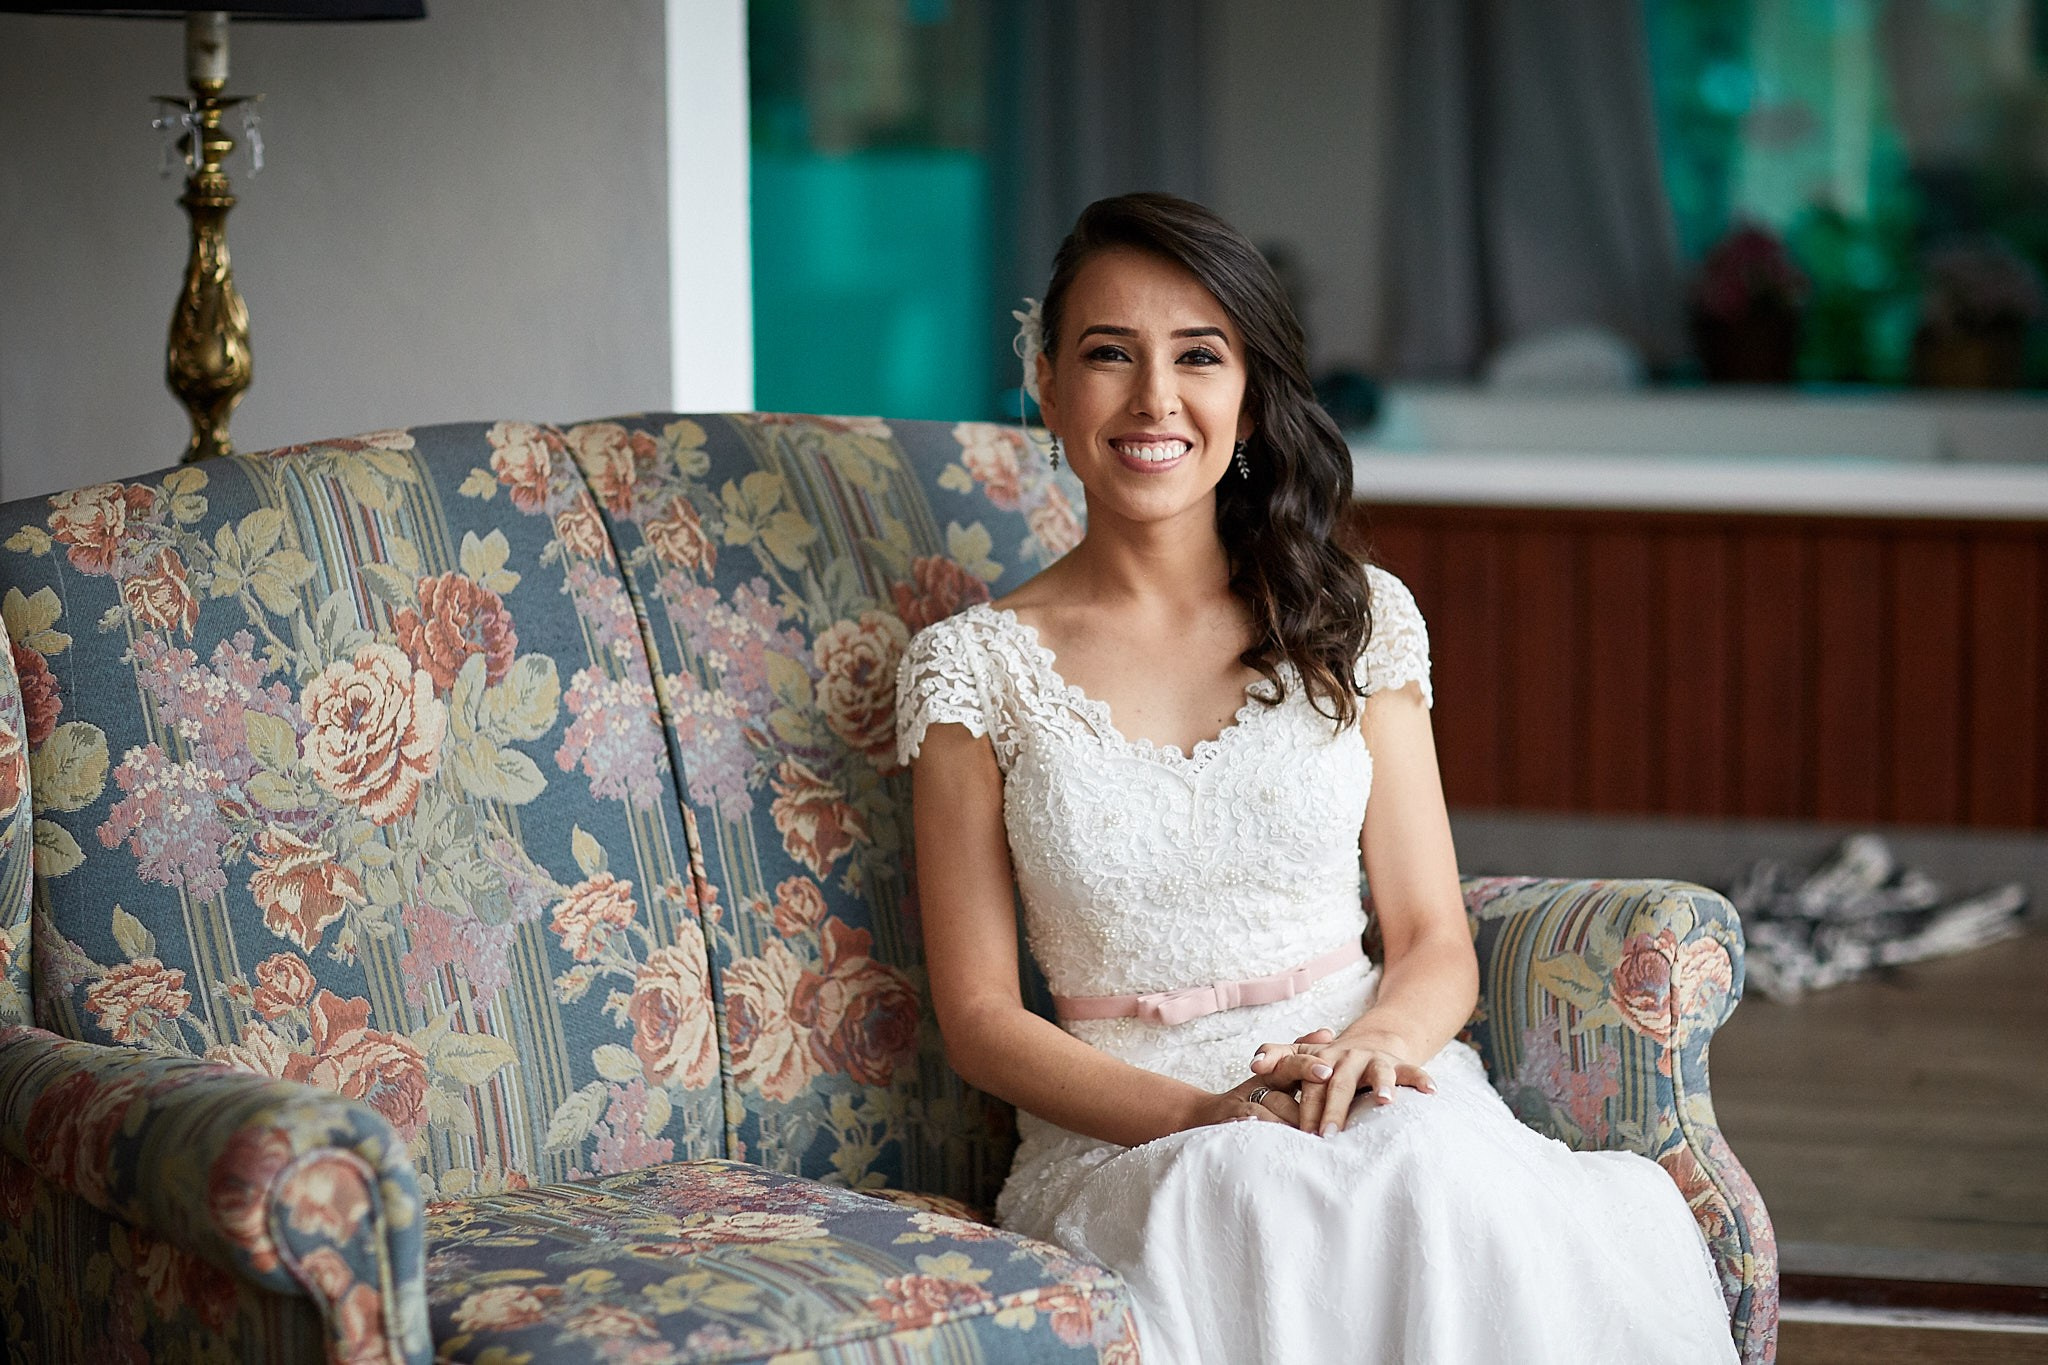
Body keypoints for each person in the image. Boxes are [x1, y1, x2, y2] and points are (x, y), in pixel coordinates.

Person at [894, 192, 1739, 1364]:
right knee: (1248, 1192)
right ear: (1043, 382)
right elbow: (981, 1021)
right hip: (1132, 1136)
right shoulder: (971, 669)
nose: (1153, 399)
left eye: (1198, 356)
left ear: (1246, 396)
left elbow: (1432, 934)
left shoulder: (1354, 618)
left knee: (1421, 1178)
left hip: (1369, 1079)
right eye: (1107, 355)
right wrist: (1207, 1114)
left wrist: (1365, 1055)